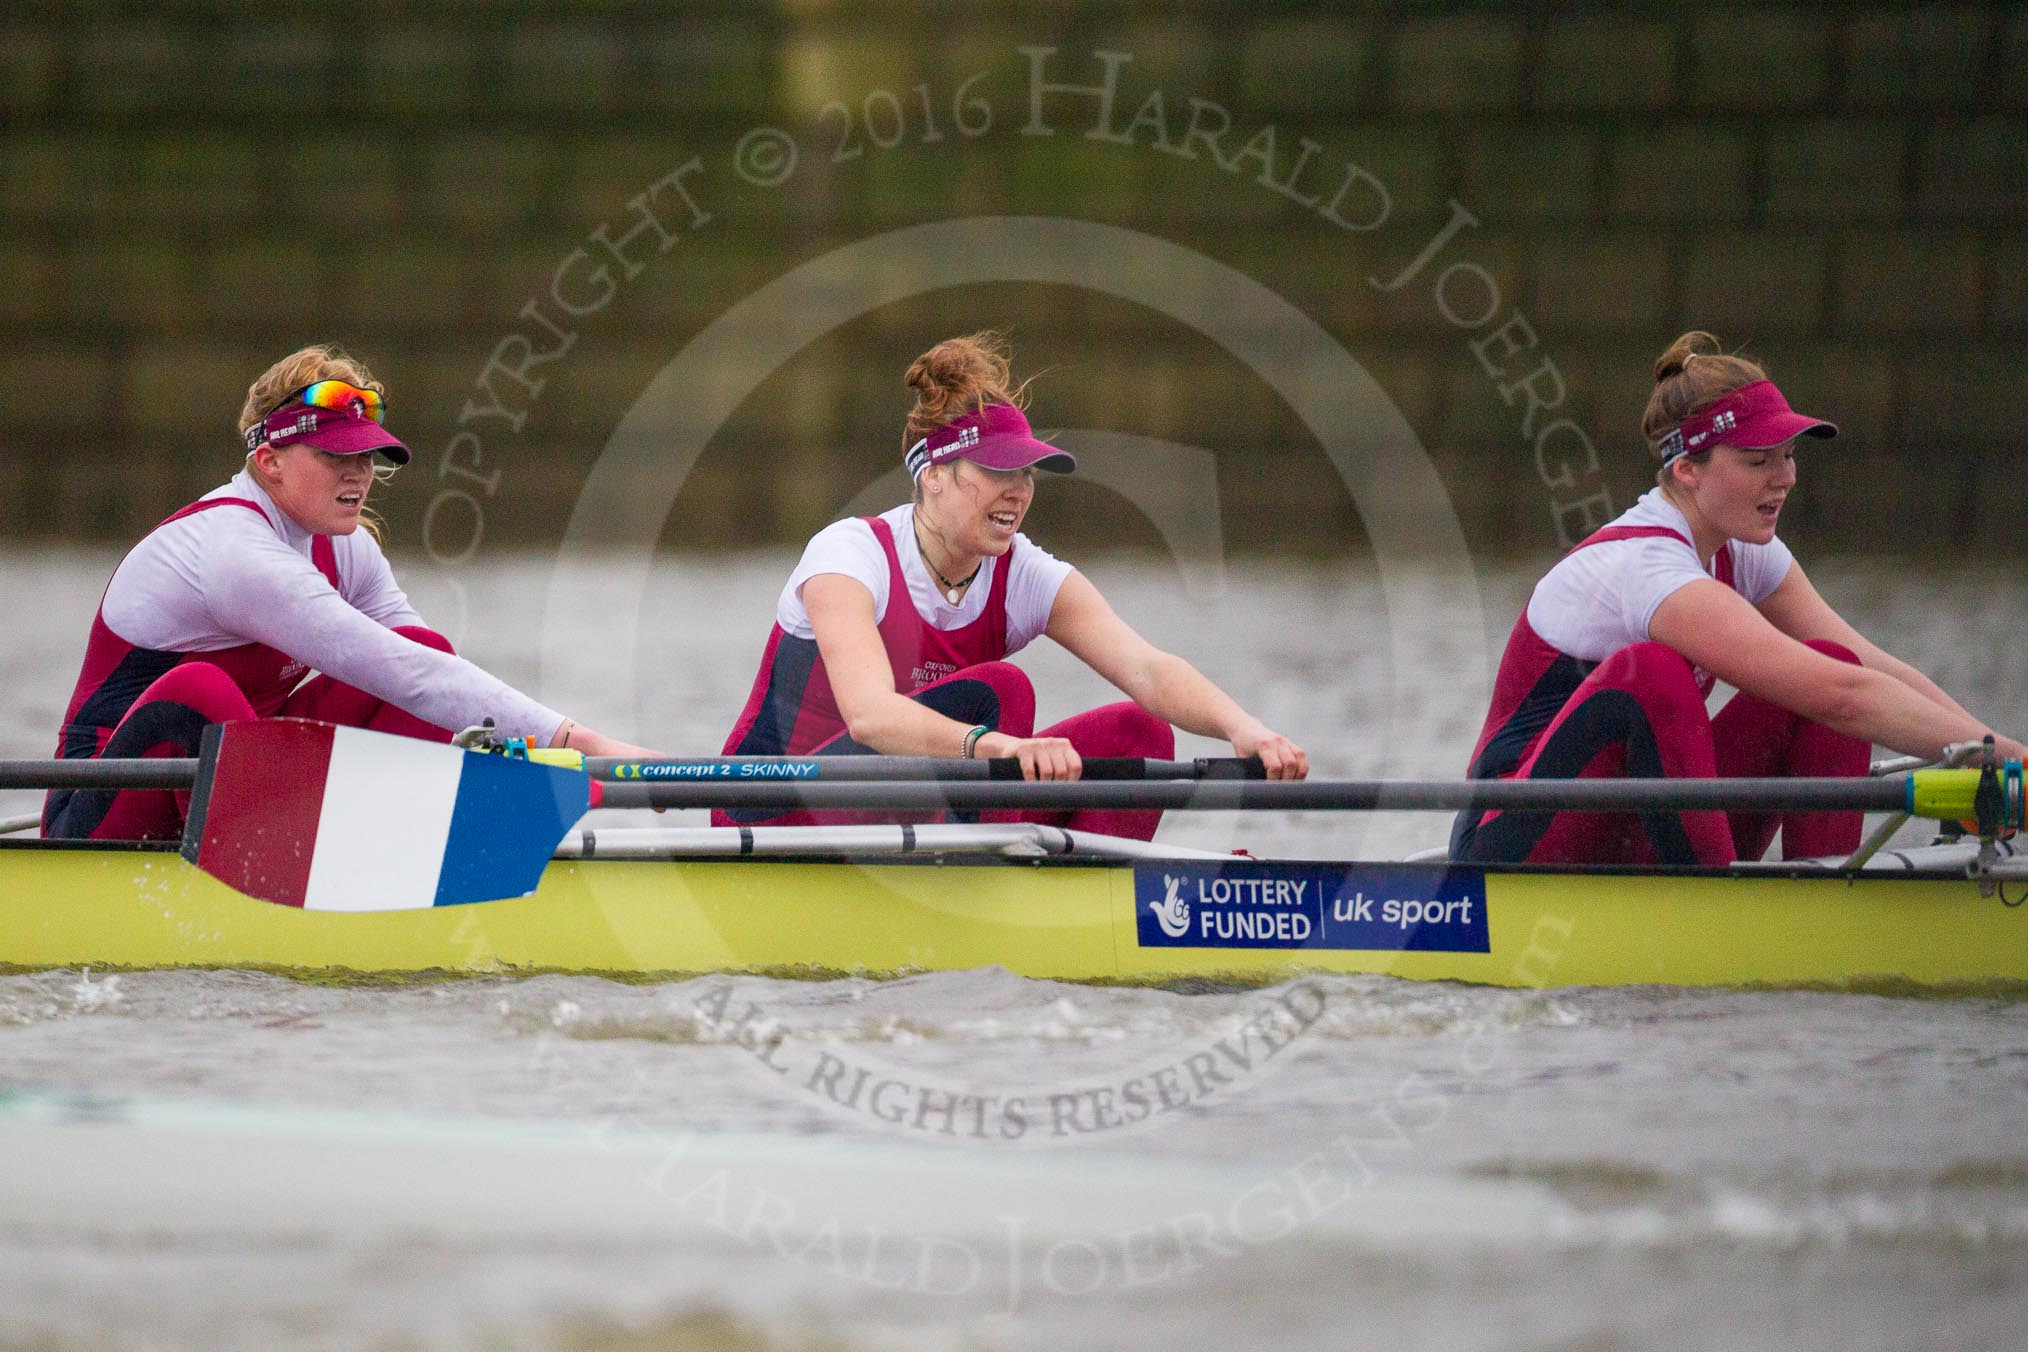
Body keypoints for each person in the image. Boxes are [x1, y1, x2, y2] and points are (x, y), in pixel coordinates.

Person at [1453, 330, 2027, 867]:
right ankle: (1720, 906)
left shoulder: (1745, 548)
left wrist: (1996, 759)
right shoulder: (1646, 567)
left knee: (1834, 658)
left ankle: (1824, 893)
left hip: (1633, 828)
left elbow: (1869, 671)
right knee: (1653, 673)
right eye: (1758, 460)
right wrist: (2006, 763)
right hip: (1511, 840)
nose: (1786, 477)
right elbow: (1845, 700)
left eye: (1788, 454)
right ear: (1686, 471)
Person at [44, 344, 656, 841]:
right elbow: (402, 671)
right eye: (335, 456)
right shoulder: (232, 550)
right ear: (270, 461)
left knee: (424, 645)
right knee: (198, 690)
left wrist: (518, 756)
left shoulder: (346, 547)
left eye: (367, 458)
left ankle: (398, 848)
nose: (358, 475)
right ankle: (292, 861)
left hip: (223, 795)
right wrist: (584, 744)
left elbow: (422, 669)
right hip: (101, 810)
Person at [718, 332, 1307, 840]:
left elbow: (1148, 670)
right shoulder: (849, 555)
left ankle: (1081, 904)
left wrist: (1244, 729)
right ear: (936, 476)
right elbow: (870, 717)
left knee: (1140, 733)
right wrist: (1001, 748)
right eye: (997, 470)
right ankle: (980, 878)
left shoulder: (1021, 573)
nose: (1019, 490)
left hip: (912, 810)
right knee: (1002, 690)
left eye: (1025, 472)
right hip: (776, 812)